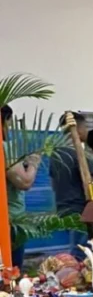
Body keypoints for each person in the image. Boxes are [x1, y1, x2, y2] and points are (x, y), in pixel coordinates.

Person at [4, 105, 41, 267]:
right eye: (9, 123)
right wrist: (33, 163)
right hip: (10, 220)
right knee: (11, 275)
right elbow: (24, 181)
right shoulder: (4, 148)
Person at [51, 112, 93, 215]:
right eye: (85, 127)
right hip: (81, 209)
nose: (87, 131)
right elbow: (90, 186)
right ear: (78, 129)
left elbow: (53, 184)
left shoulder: (55, 155)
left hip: (61, 209)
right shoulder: (83, 155)